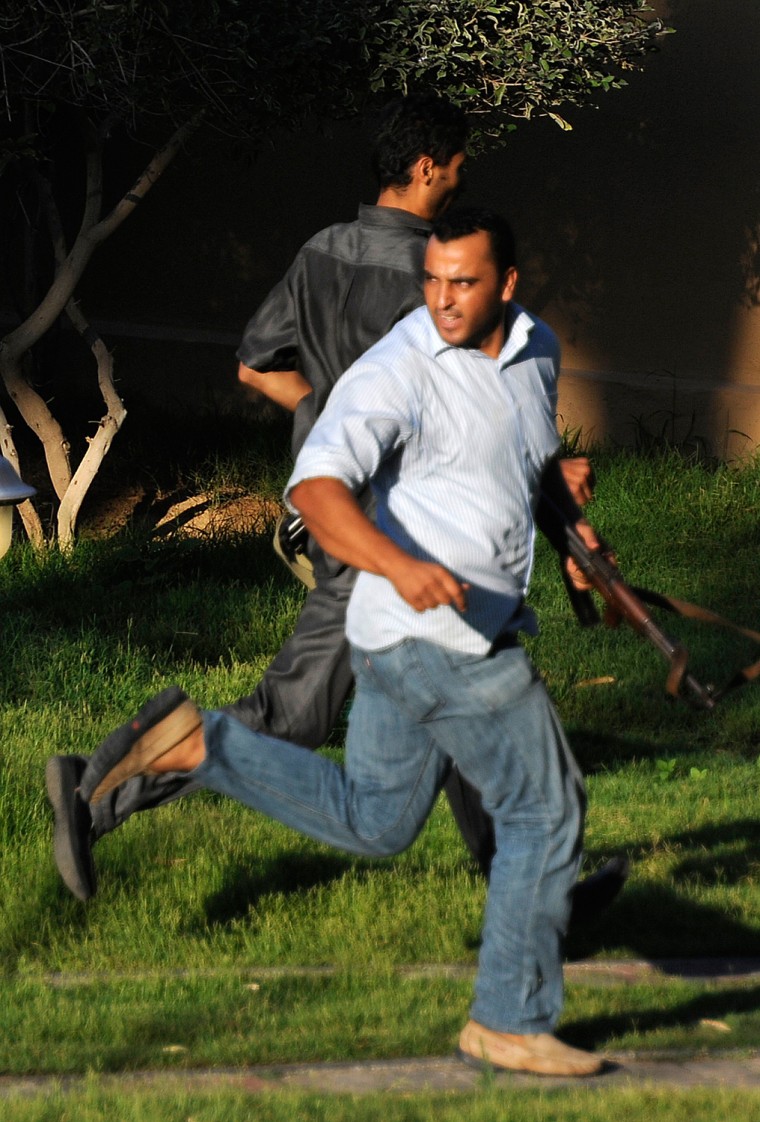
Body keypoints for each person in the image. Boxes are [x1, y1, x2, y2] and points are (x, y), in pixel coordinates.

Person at [46, 94, 626, 918]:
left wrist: (327, 414)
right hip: (388, 534)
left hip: (334, 512)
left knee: (466, 688)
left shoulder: (322, 250)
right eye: (458, 166)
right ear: (428, 169)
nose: (462, 180)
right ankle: (97, 791)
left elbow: (254, 367)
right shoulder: (442, 279)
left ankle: (539, 898)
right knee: (296, 712)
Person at [74, 209, 607, 1076]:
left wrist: (576, 536)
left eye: (462, 283)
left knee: (377, 820)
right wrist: (397, 565)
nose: (441, 299)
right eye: (431, 280)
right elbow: (316, 491)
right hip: (441, 637)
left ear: (507, 285)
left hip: (410, 639)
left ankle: (196, 743)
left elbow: (520, 462)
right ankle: (509, 1018)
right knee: (543, 811)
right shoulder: (398, 367)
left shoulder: (535, 348)